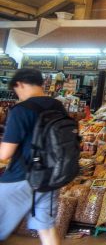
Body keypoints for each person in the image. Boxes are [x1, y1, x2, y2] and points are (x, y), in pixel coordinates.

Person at [0, 68, 66, 245]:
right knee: (46, 229)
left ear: (20, 84)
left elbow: (5, 153)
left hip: (21, 178)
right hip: (51, 178)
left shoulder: (21, 110)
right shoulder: (58, 107)